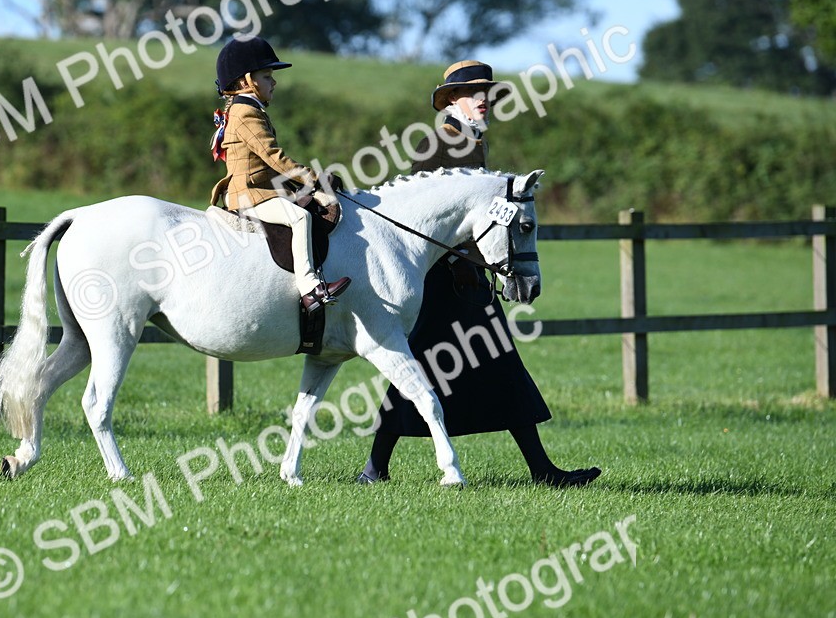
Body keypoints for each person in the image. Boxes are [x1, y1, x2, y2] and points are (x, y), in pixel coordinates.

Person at [355, 60, 601, 487]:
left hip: (468, 276)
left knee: (494, 365)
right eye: (474, 93)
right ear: (452, 100)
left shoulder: (473, 140)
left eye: (487, 92)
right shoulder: (436, 143)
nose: (484, 99)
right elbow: (425, 217)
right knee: (422, 367)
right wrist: (458, 262)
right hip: (442, 278)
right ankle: (375, 467)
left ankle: (541, 469)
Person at [209, 36, 350, 312]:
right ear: (247, 80)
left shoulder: (247, 109)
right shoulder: (245, 114)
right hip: (250, 195)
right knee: (300, 218)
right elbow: (276, 159)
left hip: (260, 188)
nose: (274, 82)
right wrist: (315, 178)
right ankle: (310, 289)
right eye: (267, 76)